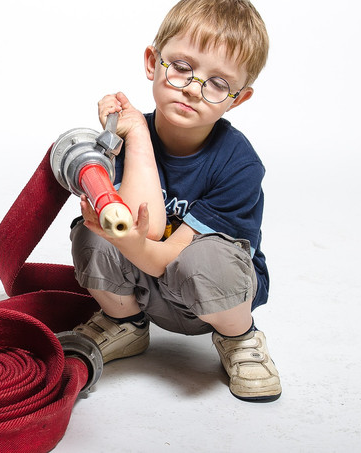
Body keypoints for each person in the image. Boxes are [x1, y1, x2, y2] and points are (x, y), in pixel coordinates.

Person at [70, 0, 281, 402]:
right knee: (92, 234)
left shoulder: (239, 164)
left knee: (206, 259)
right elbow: (135, 225)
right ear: (153, 62)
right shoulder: (122, 139)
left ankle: (241, 340)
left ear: (238, 98)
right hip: (144, 285)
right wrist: (137, 137)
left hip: (211, 299)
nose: (192, 89)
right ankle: (125, 323)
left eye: (218, 83)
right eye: (181, 67)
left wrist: (130, 242)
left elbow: (162, 252)